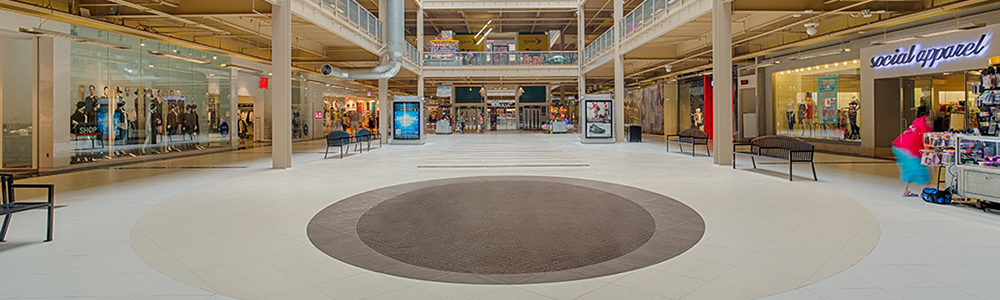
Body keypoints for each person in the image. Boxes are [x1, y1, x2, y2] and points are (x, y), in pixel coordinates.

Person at [892, 113, 936, 197]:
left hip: (899, 146)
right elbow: (926, 147)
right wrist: (931, 164)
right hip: (908, 148)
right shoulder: (924, 128)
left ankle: (906, 190)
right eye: (930, 123)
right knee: (921, 168)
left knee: (910, 169)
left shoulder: (918, 124)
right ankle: (926, 191)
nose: (931, 125)